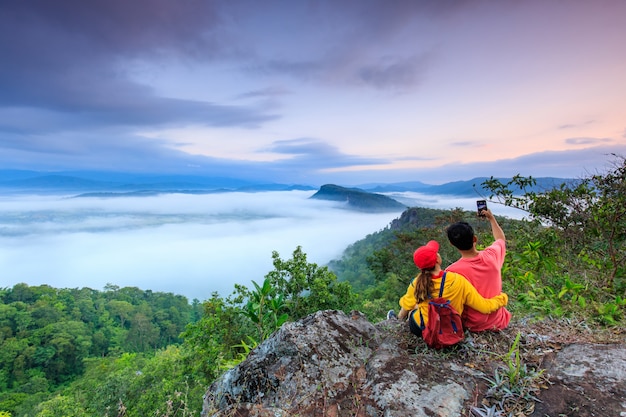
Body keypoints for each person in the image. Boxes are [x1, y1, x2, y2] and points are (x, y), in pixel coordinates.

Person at [391, 240, 508, 337]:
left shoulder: (416, 283)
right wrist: (502, 298)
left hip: (423, 329)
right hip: (451, 330)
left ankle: (394, 320)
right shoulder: (458, 280)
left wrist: (399, 318)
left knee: (414, 309)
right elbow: (484, 307)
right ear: (437, 259)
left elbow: (406, 305)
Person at [445, 208, 511, 332]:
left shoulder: (451, 272)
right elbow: (500, 239)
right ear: (475, 239)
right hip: (498, 322)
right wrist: (491, 218)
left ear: (452, 244)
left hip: (472, 326)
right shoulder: (491, 257)